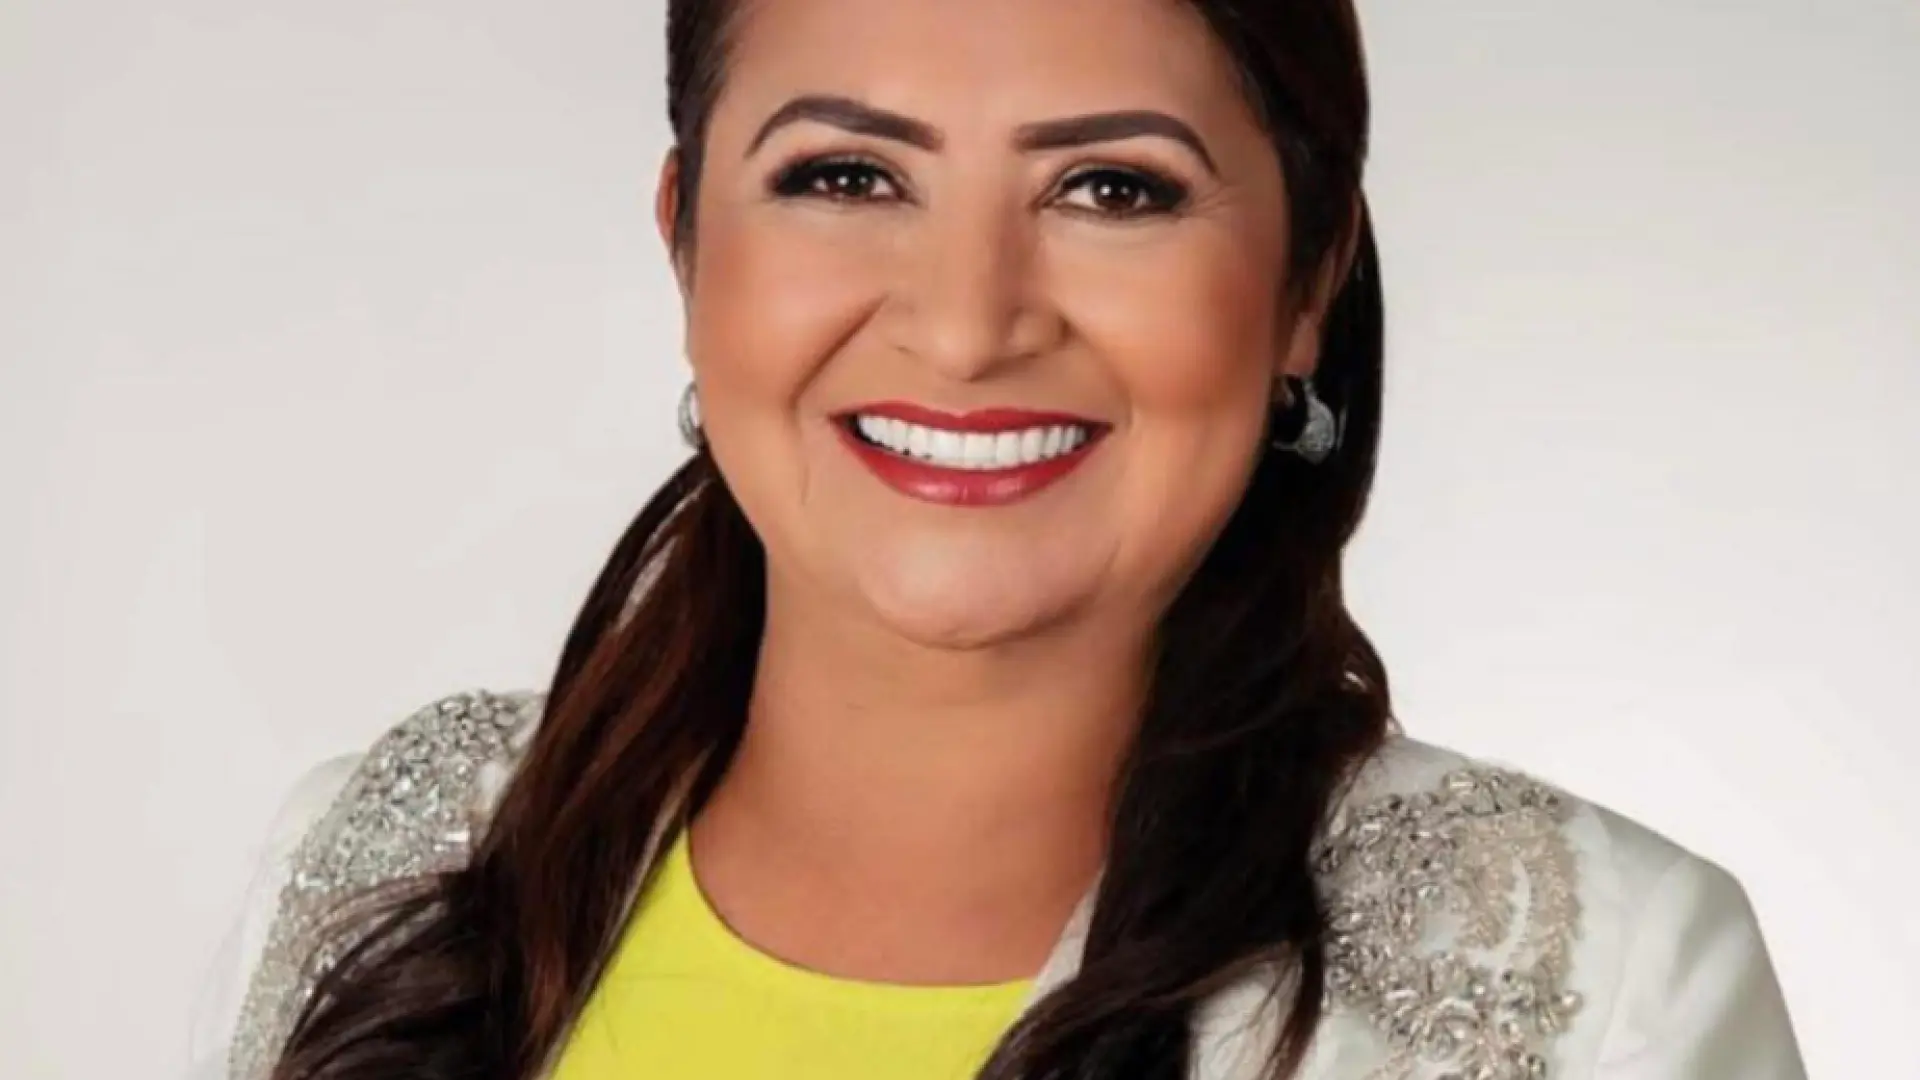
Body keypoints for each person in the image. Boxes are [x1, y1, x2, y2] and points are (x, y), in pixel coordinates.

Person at [187, 0, 1808, 1078]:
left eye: (1113, 190)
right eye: (846, 174)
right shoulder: (387, 864)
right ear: (687, 246)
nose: (967, 326)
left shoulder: (1607, 983)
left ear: (1307, 283)